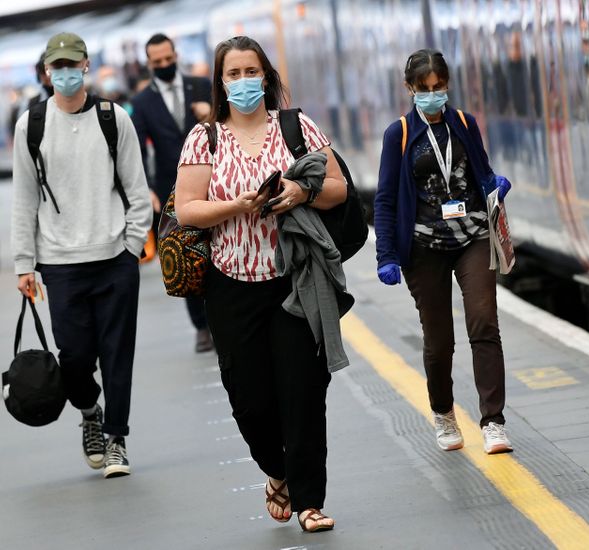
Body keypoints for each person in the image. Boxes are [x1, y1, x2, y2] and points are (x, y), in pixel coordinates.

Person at [174, 35, 347, 532]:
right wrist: (237, 206)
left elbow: (337, 189)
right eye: (234, 74)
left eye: (253, 72)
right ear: (221, 81)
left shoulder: (297, 127)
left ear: (267, 77)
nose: (245, 82)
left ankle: (310, 499)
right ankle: (277, 471)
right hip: (231, 285)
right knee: (249, 398)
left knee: (304, 392)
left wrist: (299, 191)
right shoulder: (204, 138)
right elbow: (188, 208)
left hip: (296, 280)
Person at [11, 32, 152, 478]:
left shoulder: (113, 118)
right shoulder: (30, 124)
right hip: (60, 264)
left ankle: (116, 438)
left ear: (86, 65)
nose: (66, 73)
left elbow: (137, 189)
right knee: (72, 357)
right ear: (47, 71)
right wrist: (23, 262)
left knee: (117, 353)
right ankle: (90, 412)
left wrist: (130, 248)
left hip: (114, 258)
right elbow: (24, 200)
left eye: (73, 64)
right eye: (58, 66)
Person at [374, 49, 514, 455]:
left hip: (473, 237)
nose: (433, 96)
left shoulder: (465, 124)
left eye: (439, 88)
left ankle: (493, 421)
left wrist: (495, 185)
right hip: (423, 247)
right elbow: (385, 200)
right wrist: (386, 254)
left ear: (447, 85)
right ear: (410, 89)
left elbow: (482, 173)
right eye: (424, 89)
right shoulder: (398, 134)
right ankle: (444, 413)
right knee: (439, 341)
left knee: (484, 322)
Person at [130, 33, 214, 353]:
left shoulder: (202, 85)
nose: (164, 65)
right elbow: (137, 148)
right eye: (157, 62)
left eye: (168, 59)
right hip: (171, 190)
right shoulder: (142, 102)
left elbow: (228, 125)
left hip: (214, 183)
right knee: (186, 257)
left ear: (176, 55)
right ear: (148, 64)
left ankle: (219, 320)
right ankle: (201, 327)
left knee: (218, 254)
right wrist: (147, 188)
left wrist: (209, 113)